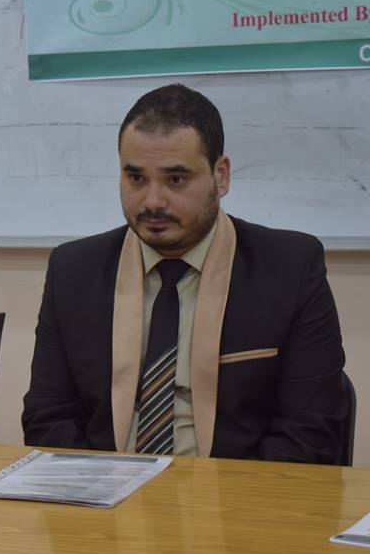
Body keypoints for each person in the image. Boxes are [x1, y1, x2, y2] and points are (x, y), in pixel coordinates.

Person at [21, 83, 347, 464]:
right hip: (104, 492)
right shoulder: (73, 271)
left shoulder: (290, 269)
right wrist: (98, 492)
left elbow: (310, 434)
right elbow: (49, 419)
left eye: (176, 179)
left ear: (220, 176)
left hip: (233, 494)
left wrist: (217, 498)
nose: (153, 201)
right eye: (136, 178)